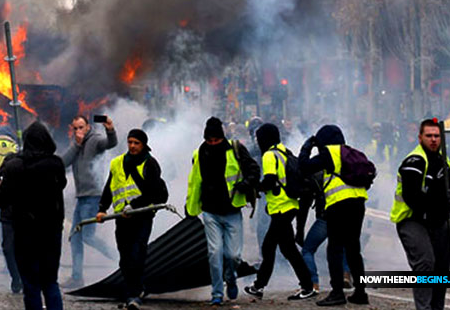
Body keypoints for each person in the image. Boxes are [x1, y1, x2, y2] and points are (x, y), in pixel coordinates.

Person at [185, 117, 260, 306]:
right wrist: (190, 207)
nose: (212, 144)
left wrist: (247, 183)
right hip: (210, 212)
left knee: (233, 255)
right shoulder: (199, 152)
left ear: (222, 137)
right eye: (209, 140)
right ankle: (217, 293)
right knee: (214, 253)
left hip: (232, 210)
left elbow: (253, 169)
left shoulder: (235, 149)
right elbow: (194, 183)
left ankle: (231, 276)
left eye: (216, 140)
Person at [0, 121, 66, 310]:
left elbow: (1, 201)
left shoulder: (15, 166)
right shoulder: (56, 164)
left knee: (31, 284)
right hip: (51, 234)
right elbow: (62, 184)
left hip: (25, 234)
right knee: (51, 282)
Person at [95, 128, 168, 310]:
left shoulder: (150, 164)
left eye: (136, 143)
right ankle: (135, 289)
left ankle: (133, 294)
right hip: (122, 218)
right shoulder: (117, 163)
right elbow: (109, 188)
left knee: (137, 254)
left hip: (142, 217)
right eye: (130, 142)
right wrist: (102, 209)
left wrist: (134, 205)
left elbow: (152, 192)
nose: (133, 146)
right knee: (125, 256)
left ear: (143, 145)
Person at [243, 124, 316, 300]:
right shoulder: (284, 151)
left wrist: (254, 189)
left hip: (281, 208)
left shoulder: (269, 155)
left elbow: (269, 180)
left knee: (269, 246)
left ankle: (259, 286)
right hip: (289, 206)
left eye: (259, 139)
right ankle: (307, 285)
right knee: (288, 249)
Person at [391, 119, 450, 310]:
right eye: (429, 136)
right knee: (426, 263)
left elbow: (449, 194)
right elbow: (412, 196)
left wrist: (446, 212)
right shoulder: (415, 160)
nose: (434, 139)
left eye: (437, 136)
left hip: (438, 221)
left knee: (442, 268)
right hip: (412, 220)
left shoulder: (442, 161)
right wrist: (436, 210)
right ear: (420, 138)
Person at [299, 125, 368, 306]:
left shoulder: (330, 152)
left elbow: (304, 166)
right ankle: (360, 293)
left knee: (335, 249)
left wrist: (307, 146)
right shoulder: (352, 152)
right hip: (358, 203)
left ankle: (337, 292)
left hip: (339, 205)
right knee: (353, 249)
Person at [63, 115, 118, 288]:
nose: (78, 131)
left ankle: (119, 258)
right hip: (82, 197)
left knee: (87, 236)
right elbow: (63, 162)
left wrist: (110, 129)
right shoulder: (77, 144)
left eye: (81, 127)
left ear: (87, 127)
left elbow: (110, 143)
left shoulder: (95, 140)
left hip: (93, 195)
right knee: (75, 237)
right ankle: (77, 277)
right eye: (75, 128)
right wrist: (76, 145)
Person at [0, 125, 22, 293]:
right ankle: (18, 262)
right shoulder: (17, 146)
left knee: (4, 229)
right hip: (17, 194)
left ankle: (7, 263)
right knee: (18, 229)